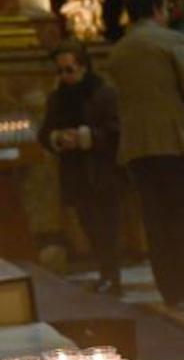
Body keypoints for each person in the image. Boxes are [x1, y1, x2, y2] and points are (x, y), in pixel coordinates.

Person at [107, 0, 184, 309]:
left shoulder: (119, 50)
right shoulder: (171, 40)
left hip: (137, 146)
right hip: (174, 141)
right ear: (156, 9)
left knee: (155, 220)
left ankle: (171, 291)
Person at [38, 40, 123, 293]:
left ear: (83, 67)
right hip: (75, 170)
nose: (65, 75)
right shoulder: (57, 98)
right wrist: (58, 138)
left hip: (102, 169)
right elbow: (44, 132)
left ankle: (112, 275)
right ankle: (105, 271)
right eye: (60, 71)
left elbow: (116, 129)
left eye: (69, 69)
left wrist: (86, 137)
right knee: (88, 223)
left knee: (107, 225)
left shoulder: (103, 93)